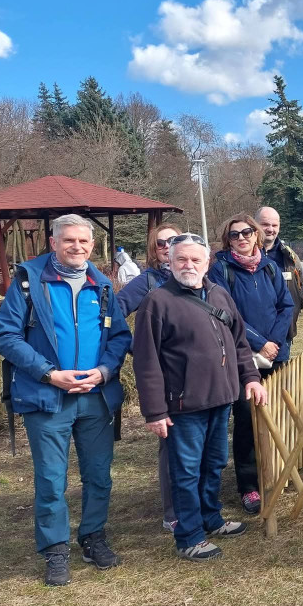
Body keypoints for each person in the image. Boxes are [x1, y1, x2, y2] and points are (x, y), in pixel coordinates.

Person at [0, 214, 132, 586]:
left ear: (92, 245)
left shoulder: (101, 285)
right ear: (53, 242)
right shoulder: (28, 282)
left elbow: (120, 337)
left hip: (95, 396)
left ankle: (93, 537)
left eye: (84, 242)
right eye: (68, 240)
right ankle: (55, 549)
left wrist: (104, 371)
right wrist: (49, 374)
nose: (77, 247)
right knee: (52, 479)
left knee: (99, 476)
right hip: (46, 397)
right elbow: (5, 337)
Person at [133, 233, 267, 561]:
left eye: (196, 259)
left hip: (221, 398)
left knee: (215, 462)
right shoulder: (158, 302)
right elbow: (146, 360)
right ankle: (189, 534)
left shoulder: (219, 295)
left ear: (207, 263)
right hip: (183, 404)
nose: (188, 265)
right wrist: (154, 411)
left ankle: (211, 517)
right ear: (170, 261)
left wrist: (250, 378)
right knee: (186, 470)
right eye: (181, 259)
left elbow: (238, 343)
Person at [208, 213, 293, 514]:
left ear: (257, 235)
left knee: (278, 413)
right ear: (227, 239)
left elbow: (287, 306)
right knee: (246, 418)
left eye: (247, 232)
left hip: (276, 353)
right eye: (235, 235)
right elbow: (226, 313)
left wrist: (275, 342)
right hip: (243, 356)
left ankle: (276, 470)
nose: (242, 238)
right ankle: (248, 485)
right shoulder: (220, 270)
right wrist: (259, 342)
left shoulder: (270, 267)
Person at [116, 222, 182, 533]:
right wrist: (138, 349)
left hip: (197, 374)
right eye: (161, 244)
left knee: (199, 441)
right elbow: (113, 313)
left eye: (174, 241)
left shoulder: (196, 275)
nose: (168, 247)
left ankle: (199, 502)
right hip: (166, 377)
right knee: (171, 445)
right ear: (153, 251)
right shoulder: (147, 282)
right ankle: (173, 511)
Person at [256, 206, 303, 342]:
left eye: (274, 225)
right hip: (254, 334)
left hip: (284, 332)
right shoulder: (246, 255)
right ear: (255, 225)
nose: (270, 229)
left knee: (285, 365)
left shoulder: (289, 256)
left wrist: (296, 306)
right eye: (265, 224)